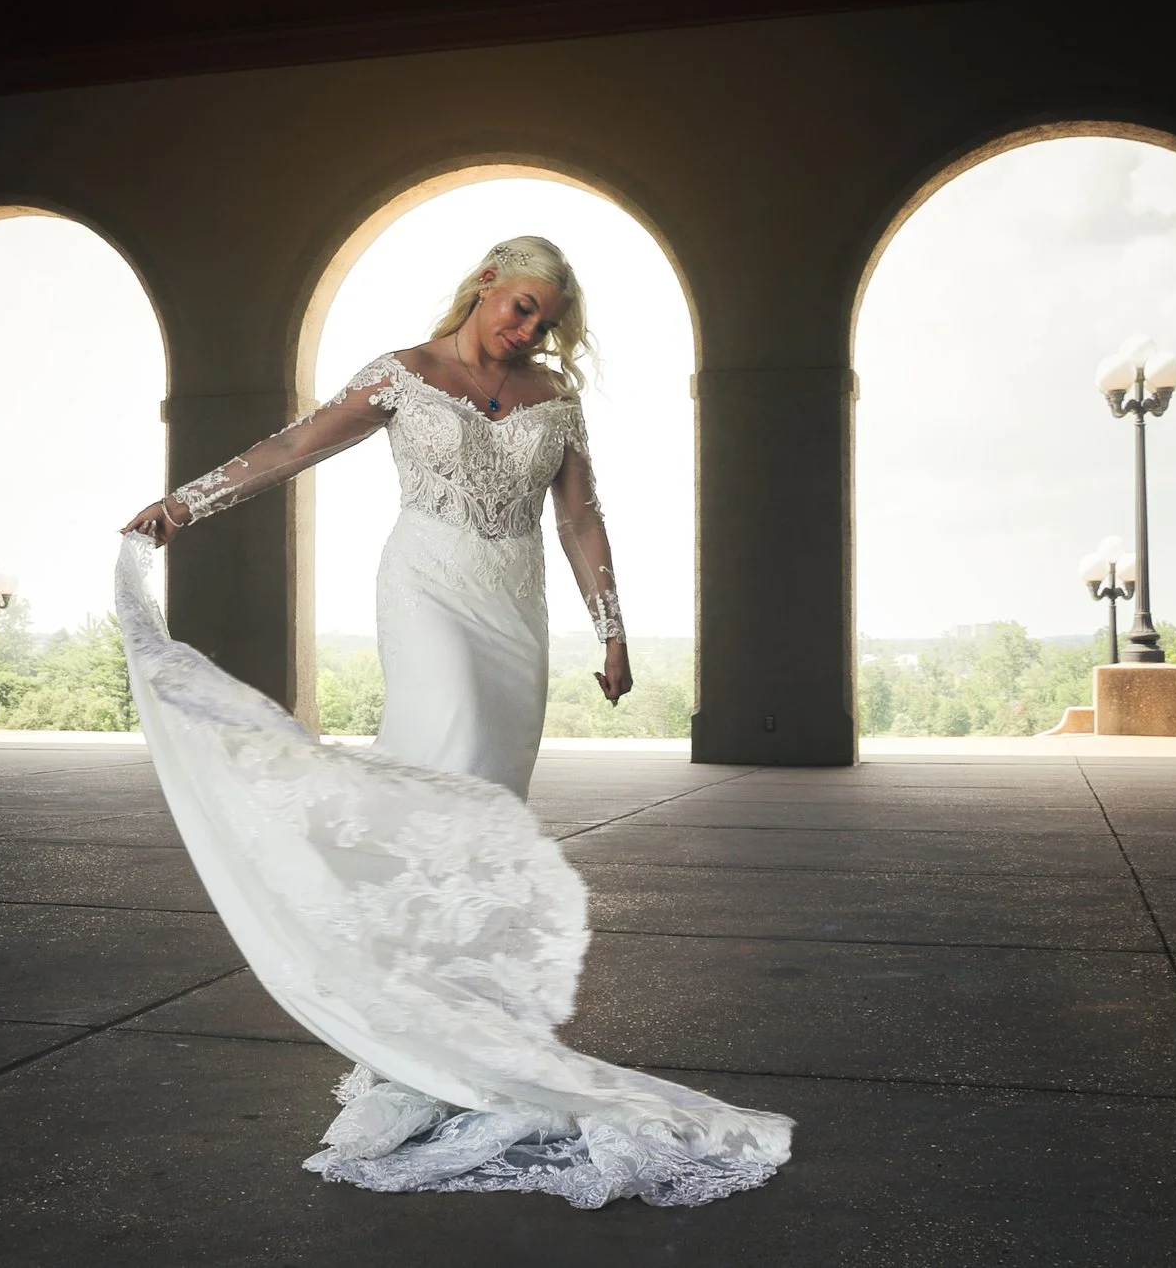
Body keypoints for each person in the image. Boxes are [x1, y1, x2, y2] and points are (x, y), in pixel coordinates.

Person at [113, 236, 791, 1208]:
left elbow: (578, 516)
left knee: (479, 810)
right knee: (446, 747)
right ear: (482, 283)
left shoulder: (553, 393)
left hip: (514, 608)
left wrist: (612, 629)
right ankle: (400, 1045)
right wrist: (184, 505)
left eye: (543, 320)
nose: (526, 329)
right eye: (518, 307)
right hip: (427, 585)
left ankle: (434, 1032)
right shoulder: (404, 372)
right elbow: (296, 443)